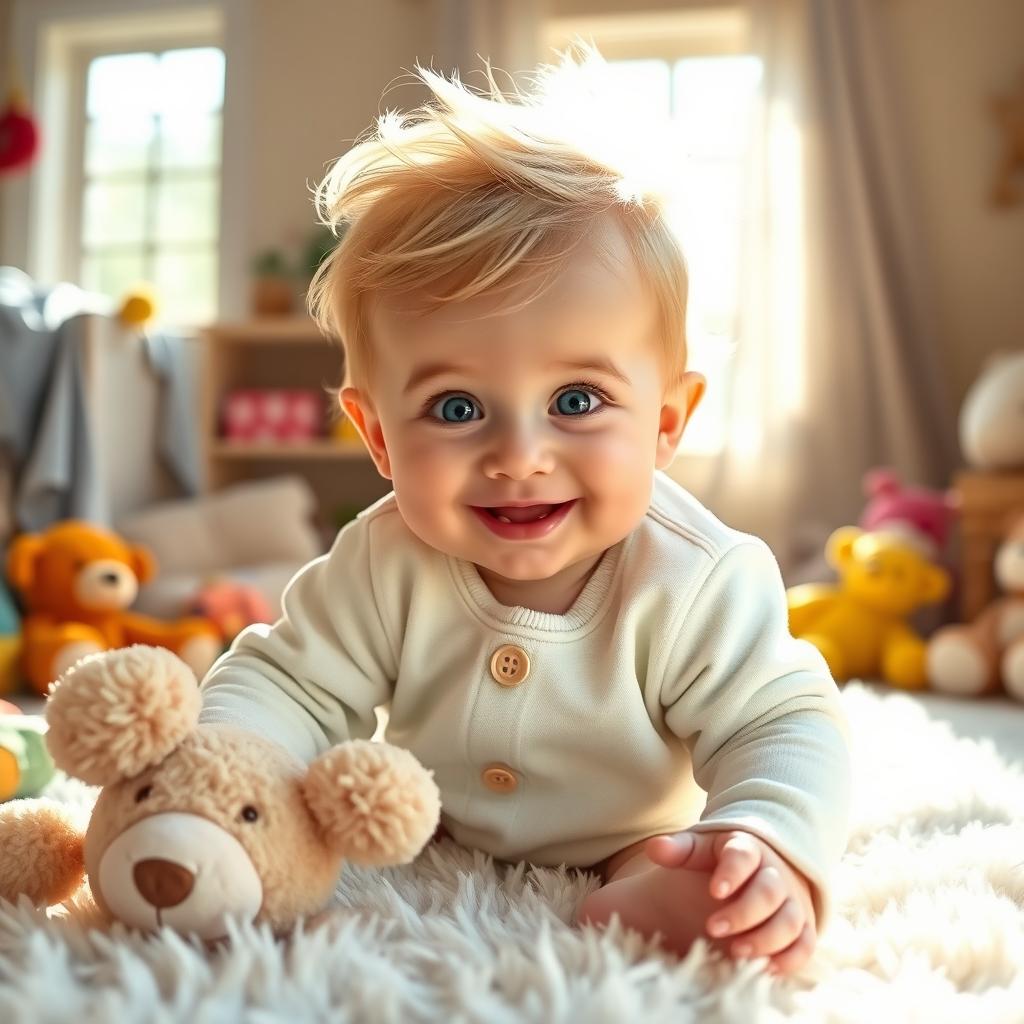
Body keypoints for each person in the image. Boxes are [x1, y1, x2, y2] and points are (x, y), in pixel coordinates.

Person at [199, 48, 850, 976]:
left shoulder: (696, 575)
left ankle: (689, 894)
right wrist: (228, 777)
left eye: (577, 401)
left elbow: (782, 722)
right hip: (428, 831)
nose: (519, 456)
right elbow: (292, 684)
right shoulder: (383, 560)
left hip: (636, 838)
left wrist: (770, 836)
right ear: (379, 438)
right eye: (457, 409)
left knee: (702, 874)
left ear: (666, 423)